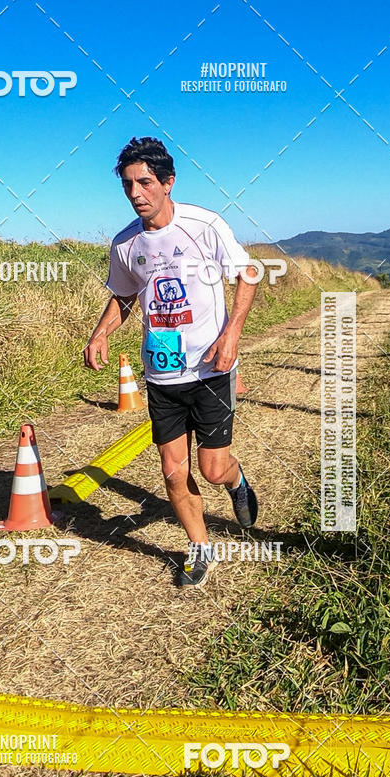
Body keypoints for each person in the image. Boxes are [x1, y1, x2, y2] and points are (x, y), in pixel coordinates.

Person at [84, 136, 259, 587]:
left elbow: (248, 274)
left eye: (144, 183)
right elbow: (124, 296)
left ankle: (236, 482)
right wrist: (102, 331)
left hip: (211, 369)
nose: (136, 194)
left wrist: (231, 334)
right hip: (162, 374)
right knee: (172, 471)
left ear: (168, 182)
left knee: (212, 468)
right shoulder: (125, 245)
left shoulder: (205, 224)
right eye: (128, 185)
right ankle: (200, 548)